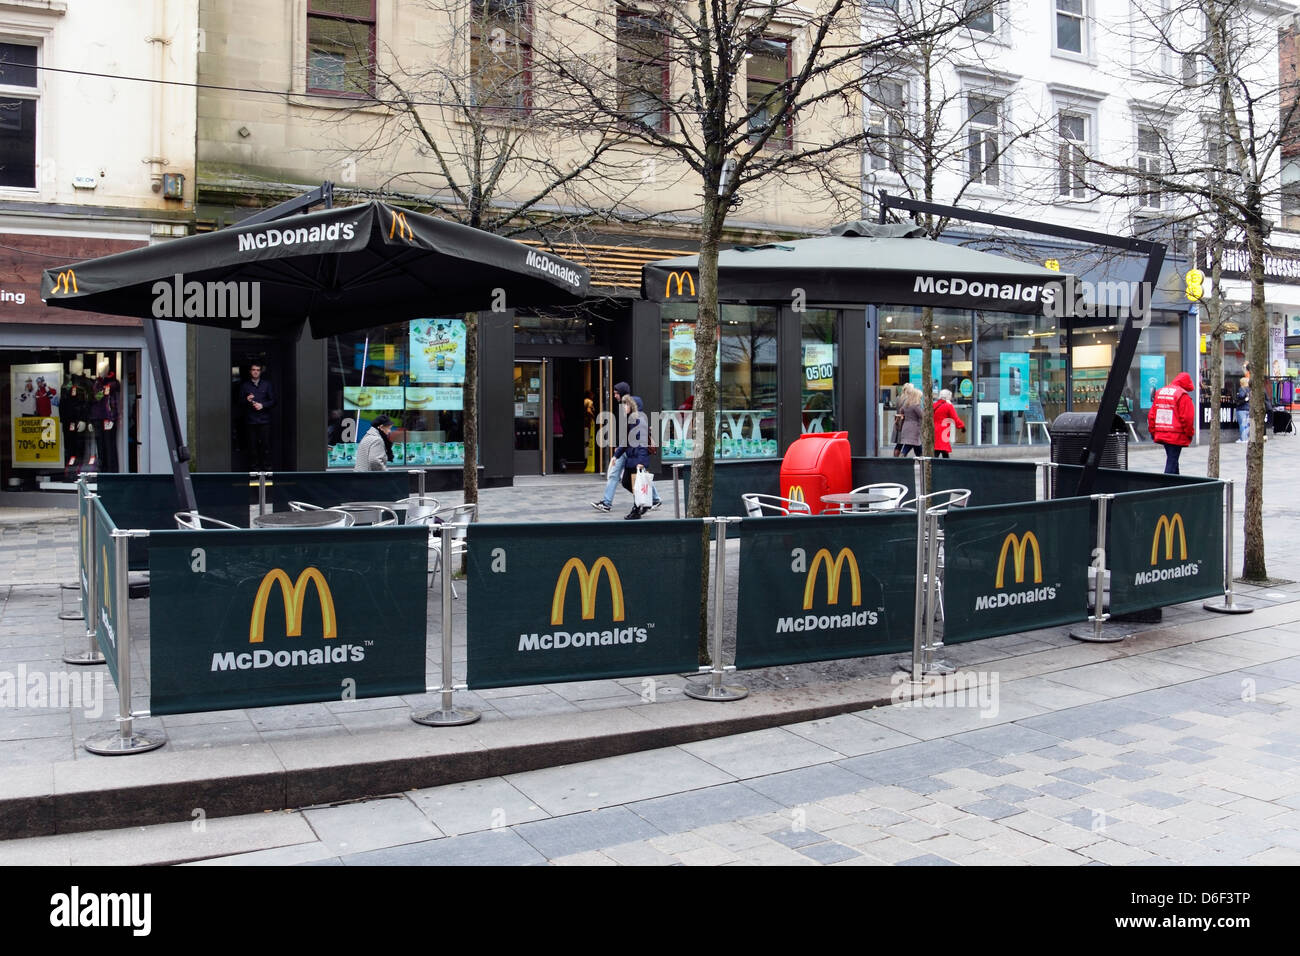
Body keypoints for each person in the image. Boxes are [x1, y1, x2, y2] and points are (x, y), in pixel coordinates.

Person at [592, 381, 662, 513]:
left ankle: (645, 501)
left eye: (616, 393)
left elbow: (637, 437)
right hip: (627, 449)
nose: (614, 395)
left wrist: (639, 460)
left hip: (633, 451)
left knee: (632, 477)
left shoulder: (634, 412)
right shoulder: (628, 410)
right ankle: (650, 500)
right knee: (627, 478)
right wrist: (618, 451)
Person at [1148, 371, 1196, 474]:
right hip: (1176, 435)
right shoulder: (1182, 395)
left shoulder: (1160, 392)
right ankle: (1166, 486)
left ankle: (1176, 485)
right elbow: (1187, 418)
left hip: (1162, 433)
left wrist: (1153, 431)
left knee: (1173, 460)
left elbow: (1152, 415)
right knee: (1171, 462)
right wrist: (1190, 433)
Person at [240, 362, 275, 471]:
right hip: (251, 421)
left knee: (265, 446)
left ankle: (267, 469)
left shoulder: (267, 385)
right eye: (253, 369)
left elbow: (274, 401)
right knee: (252, 446)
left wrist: (262, 405)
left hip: (264, 420)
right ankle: (254, 469)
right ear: (250, 371)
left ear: (260, 372)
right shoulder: (245, 386)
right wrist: (247, 400)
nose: (255, 371)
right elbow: (239, 402)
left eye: (258, 370)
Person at [932, 388, 966, 458]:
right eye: (950, 397)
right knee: (942, 449)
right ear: (947, 397)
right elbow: (955, 418)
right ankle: (940, 466)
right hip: (943, 431)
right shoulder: (948, 406)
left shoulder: (934, 405)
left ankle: (936, 465)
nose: (951, 398)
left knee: (939, 449)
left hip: (934, 430)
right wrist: (962, 426)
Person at [894, 382, 923, 457]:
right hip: (914, 428)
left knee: (906, 444)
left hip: (905, 426)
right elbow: (922, 415)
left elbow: (901, 412)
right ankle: (903, 455)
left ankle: (899, 458)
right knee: (913, 445)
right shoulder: (915, 405)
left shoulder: (903, 402)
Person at [1235, 376, 1250, 443]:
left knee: (1242, 424)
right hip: (1248, 408)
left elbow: (1241, 395)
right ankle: (1246, 438)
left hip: (1242, 408)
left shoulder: (1242, 389)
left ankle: (1243, 439)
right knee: (1247, 424)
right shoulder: (1250, 389)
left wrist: (1237, 396)